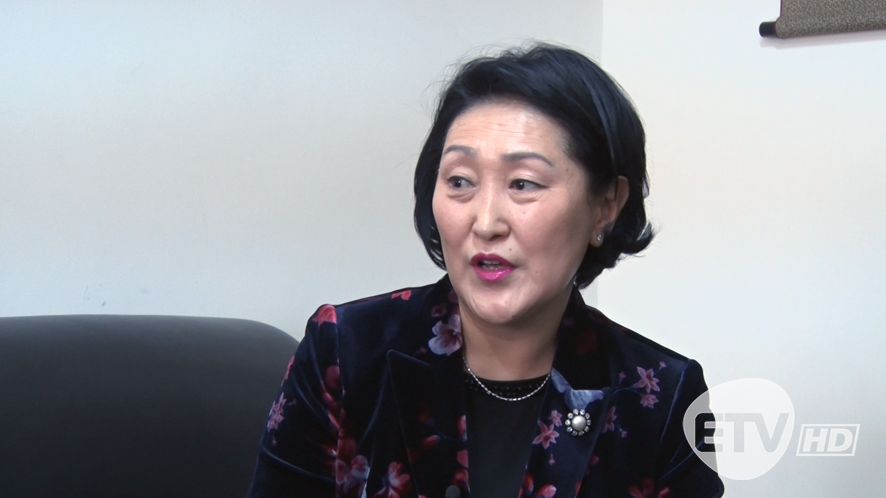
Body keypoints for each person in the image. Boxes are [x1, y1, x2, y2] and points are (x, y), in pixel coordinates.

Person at [247, 43, 724, 498]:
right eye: (460, 181)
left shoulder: (664, 397)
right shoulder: (346, 353)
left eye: (523, 183)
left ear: (605, 206)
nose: (486, 222)